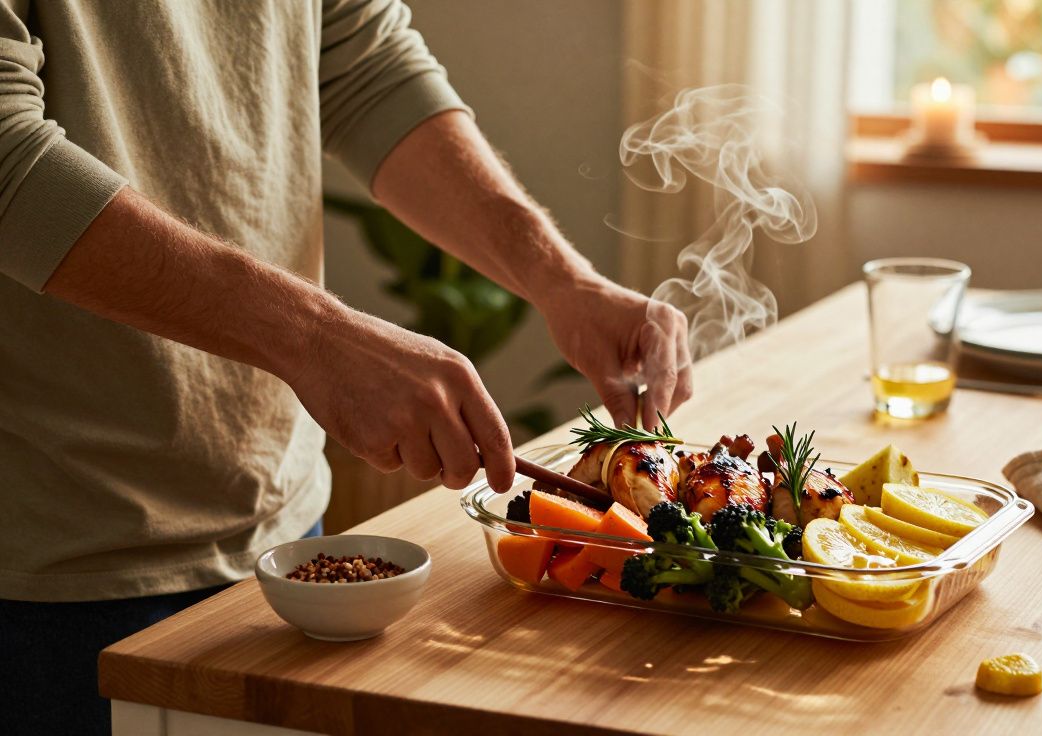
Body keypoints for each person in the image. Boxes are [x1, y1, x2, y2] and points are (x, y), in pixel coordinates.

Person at [0, 1, 692, 732]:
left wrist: (563, 282)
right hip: (58, 566)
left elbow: (364, 65)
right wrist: (316, 337)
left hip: (287, 523)